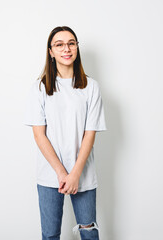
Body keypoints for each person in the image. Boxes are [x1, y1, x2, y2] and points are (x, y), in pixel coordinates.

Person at [23, 26, 107, 240]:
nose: (66, 49)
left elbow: (90, 134)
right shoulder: (39, 88)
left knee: (89, 233)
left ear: (77, 47)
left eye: (71, 43)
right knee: (50, 235)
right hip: (50, 175)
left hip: (83, 173)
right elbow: (39, 135)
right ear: (50, 51)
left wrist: (75, 174)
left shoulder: (91, 87)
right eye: (59, 44)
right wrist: (62, 173)